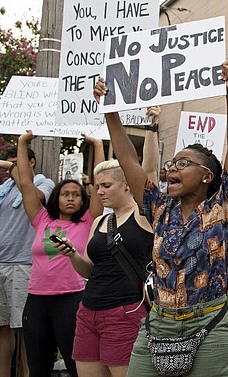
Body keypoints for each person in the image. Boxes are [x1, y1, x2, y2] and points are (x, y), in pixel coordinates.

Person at [93, 60, 228, 377]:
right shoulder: (159, 207)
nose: (172, 168)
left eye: (183, 163)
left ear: (206, 176)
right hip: (158, 322)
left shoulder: (224, 207)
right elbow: (127, 159)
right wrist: (110, 110)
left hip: (210, 325)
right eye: (172, 163)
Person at [55, 157, 155, 376]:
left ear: (127, 184)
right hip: (88, 311)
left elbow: (149, 170)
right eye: (97, 186)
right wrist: (72, 255)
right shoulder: (100, 221)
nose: (99, 191)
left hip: (124, 311)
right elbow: (88, 270)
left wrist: (151, 129)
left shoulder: (142, 215)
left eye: (106, 185)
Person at [15, 131, 99, 377]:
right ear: (57, 198)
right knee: (38, 366)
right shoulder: (40, 218)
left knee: (76, 365)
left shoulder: (86, 221)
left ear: (83, 199)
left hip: (70, 299)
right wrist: (22, 143)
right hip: (37, 299)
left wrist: (96, 145)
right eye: (65, 194)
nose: (71, 198)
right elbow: (25, 184)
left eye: (76, 195)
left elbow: (98, 181)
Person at [0, 146, 55, 377]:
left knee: (26, 329)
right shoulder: (2, 189)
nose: (8, 168)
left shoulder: (44, 183)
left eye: (16, 162)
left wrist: (6, 166)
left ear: (31, 162)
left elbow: (36, 198)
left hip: (24, 264)